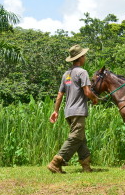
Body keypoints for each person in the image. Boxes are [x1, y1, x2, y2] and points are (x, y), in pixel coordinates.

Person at [47, 44, 98, 173]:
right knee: (76, 137)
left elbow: (60, 95)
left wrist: (56, 111)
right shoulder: (82, 72)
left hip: (68, 112)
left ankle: (86, 166)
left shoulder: (66, 75)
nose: (85, 57)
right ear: (80, 58)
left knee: (81, 139)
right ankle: (56, 161)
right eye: (84, 55)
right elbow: (87, 91)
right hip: (78, 110)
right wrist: (94, 98)